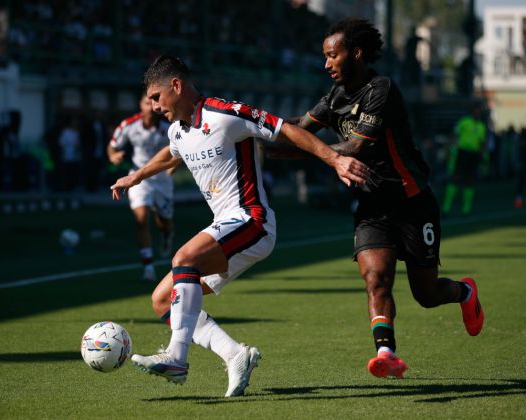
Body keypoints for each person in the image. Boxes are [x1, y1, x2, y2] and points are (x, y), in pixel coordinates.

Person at [110, 55, 368, 396]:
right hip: (228, 228)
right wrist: (135, 176)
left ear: (176, 86)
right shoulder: (179, 130)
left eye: (156, 97)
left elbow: (284, 129)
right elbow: (171, 154)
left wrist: (335, 159)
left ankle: (176, 356)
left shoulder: (225, 113)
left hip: (252, 221)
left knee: (183, 258)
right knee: (162, 301)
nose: (154, 106)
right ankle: (235, 355)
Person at [268, 18, 484, 378]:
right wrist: (251, 128)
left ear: (356, 53)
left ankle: (464, 292)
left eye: (332, 55)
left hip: (413, 202)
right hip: (373, 206)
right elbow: (298, 128)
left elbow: (355, 148)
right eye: (324, 56)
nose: (326, 64)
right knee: (376, 279)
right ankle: (386, 353)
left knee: (426, 294)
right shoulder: (335, 97)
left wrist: (296, 151)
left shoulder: (380, 89)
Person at [108, 95, 175, 281]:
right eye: (147, 102)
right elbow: (112, 147)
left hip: (162, 179)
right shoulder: (129, 125)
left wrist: (175, 165)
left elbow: (181, 149)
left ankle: (167, 235)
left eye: (155, 102)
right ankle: (148, 268)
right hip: (138, 179)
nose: (152, 106)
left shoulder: (169, 126)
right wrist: (113, 156)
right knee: (142, 220)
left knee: (164, 222)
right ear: (140, 105)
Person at [442, 104, 487, 216]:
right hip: (463, 153)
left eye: (479, 111)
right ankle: (446, 208)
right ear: (472, 112)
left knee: (470, 181)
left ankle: (466, 210)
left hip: (474, 155)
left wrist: (483, 156)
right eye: (476, 111)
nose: (477, 113)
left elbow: (482, 143)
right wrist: (448, 151)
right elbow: (454, 136)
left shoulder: (482, 126)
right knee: (455, 179)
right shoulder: (464, 122)